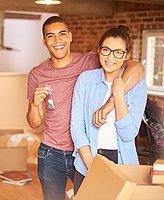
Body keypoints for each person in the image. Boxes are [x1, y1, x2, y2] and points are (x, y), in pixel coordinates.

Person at [26, 16, 144, 200]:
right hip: (52, 153)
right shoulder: (37, 74)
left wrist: (110, 103)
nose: (58, 41)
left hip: (82, 152)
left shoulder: (90, 62)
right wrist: (34, 104)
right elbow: (34, 124)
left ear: (70, 36)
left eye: (62, 34)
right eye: (51, 36)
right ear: (44, 41)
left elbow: (136, 68)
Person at [70, 25, 147, 195]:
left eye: (118, 52)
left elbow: (128, 135)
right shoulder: (86, 80)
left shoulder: (138, 87)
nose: (110, 57)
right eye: (106, 50)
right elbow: (77, 127)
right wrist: (92, 167)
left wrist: (118, 94)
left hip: (124, 166)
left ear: (127, 55)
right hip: (88, 163)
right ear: (99, 51)